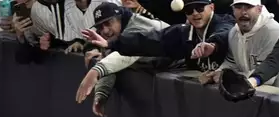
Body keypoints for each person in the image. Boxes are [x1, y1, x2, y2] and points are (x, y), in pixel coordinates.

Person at [81, 0, 235, 73]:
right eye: (189, 10)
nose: (195, 13)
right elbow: (148, 41)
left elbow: (224, 32)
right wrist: (111, 44)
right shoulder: (183, 32)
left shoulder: (225, 22)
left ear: (212, 7)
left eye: (200, 8)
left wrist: (213, 45)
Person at [75, 2, 169, 115]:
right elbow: (111, 59)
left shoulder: (137, 26)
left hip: (186, 61)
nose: (105, 30)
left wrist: (95, 71)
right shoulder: (119, 31)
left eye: (108, 23)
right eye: (100, 27)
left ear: (119, 18)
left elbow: (127, 53)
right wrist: (101, 95)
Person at [191, 0, 279, 88]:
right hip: (251, 92)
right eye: (238, 7)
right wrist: (216, 73)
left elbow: (268, 77)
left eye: (248, 7)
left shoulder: (272, 31)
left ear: (259, 9)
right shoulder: (234, 32)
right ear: (233, 10)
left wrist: (226, 77)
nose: (243, 12)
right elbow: (231, 62)